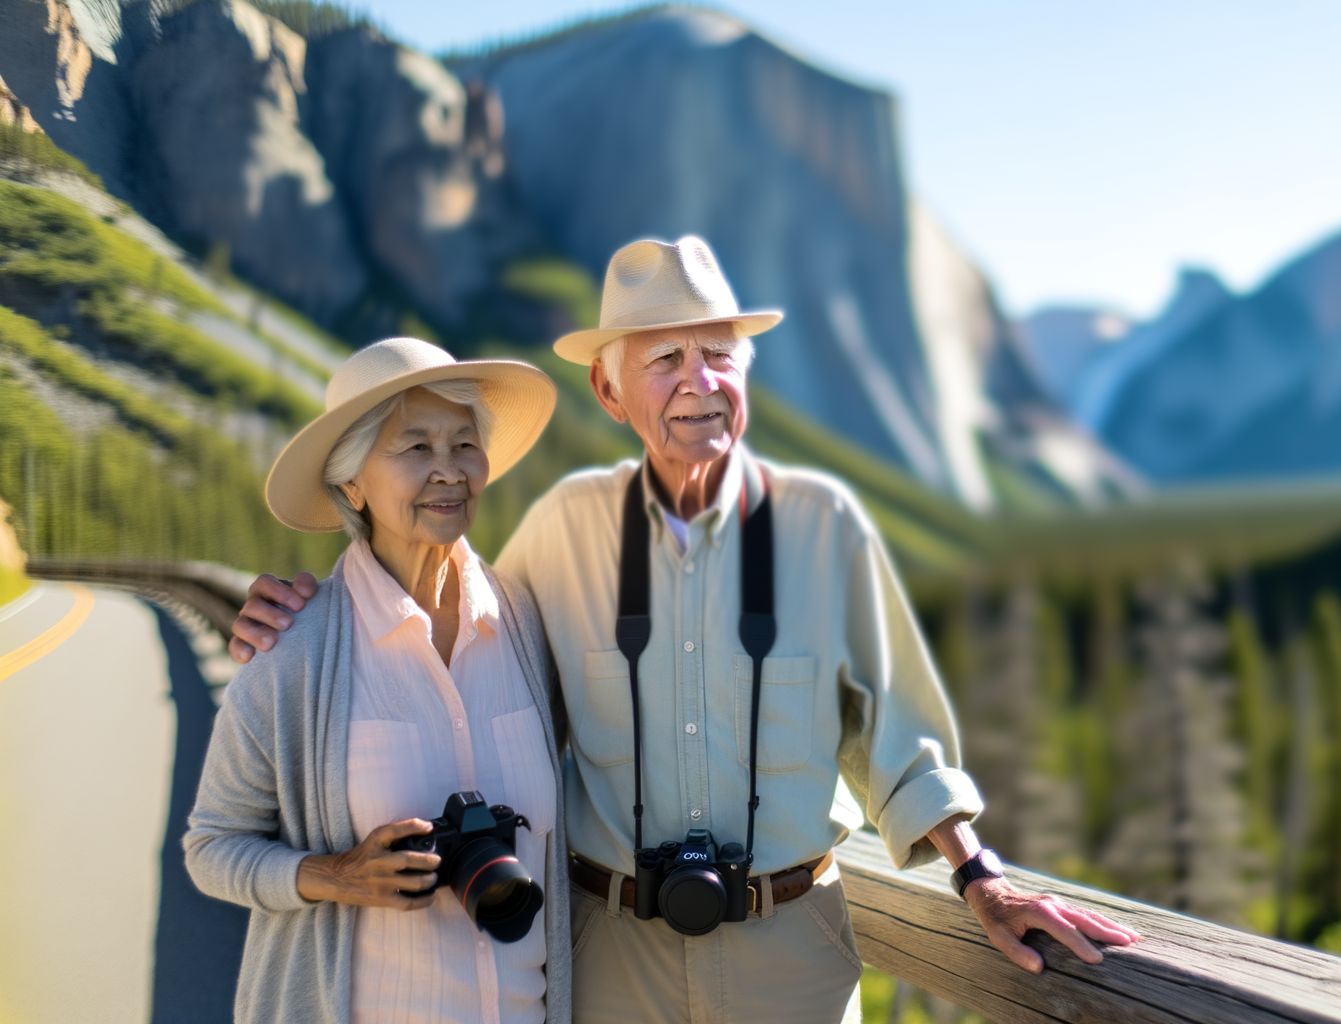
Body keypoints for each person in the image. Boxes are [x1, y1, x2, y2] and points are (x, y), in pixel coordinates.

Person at [230, 237, 1139, 1024]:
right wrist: (302, 616)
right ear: (610, 388)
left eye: (719, 352)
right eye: (664, 358)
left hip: (795, 960)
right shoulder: (560, 529)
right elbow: (448, 635)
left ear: (747, 372)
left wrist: (981, 876)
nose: (698, 383)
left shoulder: (824, 526)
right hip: (613, 959)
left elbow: (898, 735)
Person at [188, 338, 572, 1024]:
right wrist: (334, 876)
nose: (448, 471)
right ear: (352, 484)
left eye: (464, 444)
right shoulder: (296, 649)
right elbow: (212, 846)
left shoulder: (528, 623)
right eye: (415, 448)